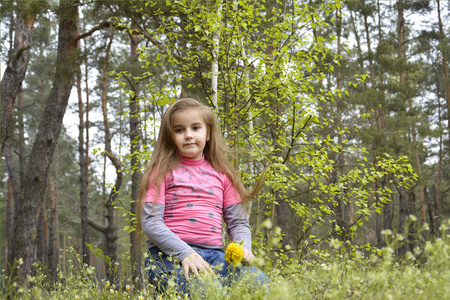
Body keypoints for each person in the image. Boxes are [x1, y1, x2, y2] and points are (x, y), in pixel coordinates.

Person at [138, 98, 268, 295]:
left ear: (208, 133)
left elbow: (238, 223)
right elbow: (151, 221)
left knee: (259, 282)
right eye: (179, 130)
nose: (188, 135)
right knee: (209, 292)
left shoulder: (223, 174)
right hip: (167, 257)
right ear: (170, 136)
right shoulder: (162, 171)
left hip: (215, 257)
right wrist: (185, 253)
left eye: (195, 128)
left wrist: (244, 249)